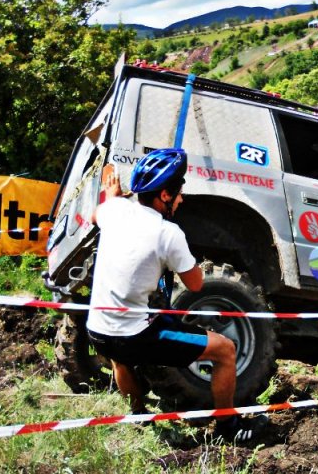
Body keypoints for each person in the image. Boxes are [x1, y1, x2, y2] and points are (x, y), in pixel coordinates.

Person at [85, 150, 253, 442]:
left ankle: (138, 414)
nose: (181, 200)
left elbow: (95, 215)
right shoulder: (168, 233)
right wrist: (183, 257)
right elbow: (196, 284)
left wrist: (113, 197)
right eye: (179, 193)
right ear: (164, 195)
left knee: (119, 359)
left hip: (98, 330)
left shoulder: (114, 210)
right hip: (135, 337)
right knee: (225, 350)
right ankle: (228, 427)